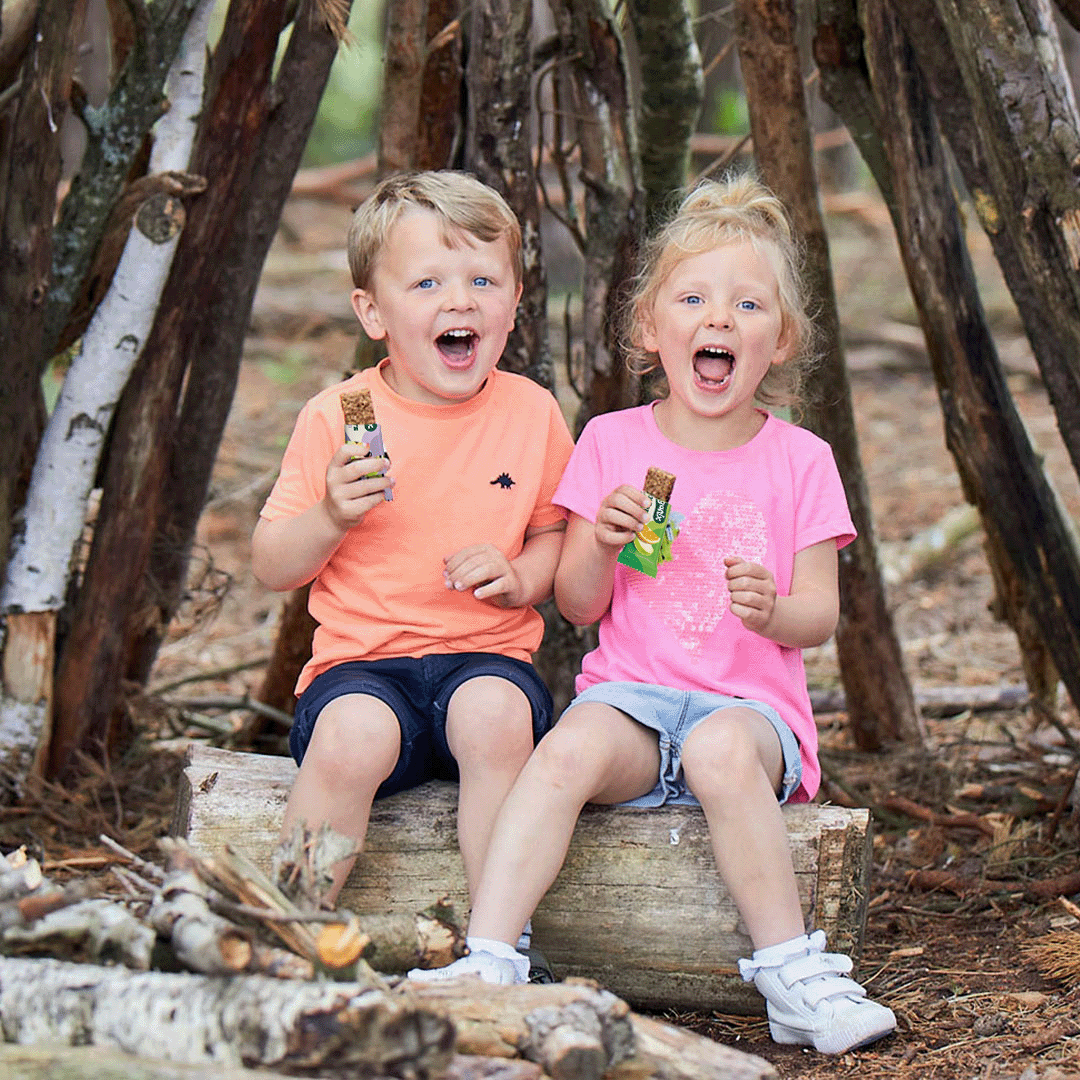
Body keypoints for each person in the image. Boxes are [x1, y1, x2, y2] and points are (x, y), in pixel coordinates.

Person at [409, 174, 897, 1055]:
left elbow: (821, 614)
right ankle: (493, 955)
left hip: (750, 719)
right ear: (650, 330)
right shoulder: (613, 443)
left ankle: (793, 974)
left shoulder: (801, 460)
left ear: (779, 338)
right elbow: (578, 604)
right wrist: (597, 540)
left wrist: (771, 610)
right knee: (565, 750)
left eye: (747, 304)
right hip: (634, 700)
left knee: (715, 750)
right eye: (694, 298)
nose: (719, 320)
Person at [252, 172, 574, 934]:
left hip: (485, 662)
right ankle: (290, 922)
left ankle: (499, 941)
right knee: (349, 738)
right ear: (373, 312)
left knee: (496, 718)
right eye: (427, 281)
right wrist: (330, 512)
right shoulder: (342, 415)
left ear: (515, 300)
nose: (459, 300)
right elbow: (273, 564)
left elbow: (554, 532)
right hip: (363, 671)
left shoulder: (531, 411)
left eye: (482, 279)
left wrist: (520, 575)